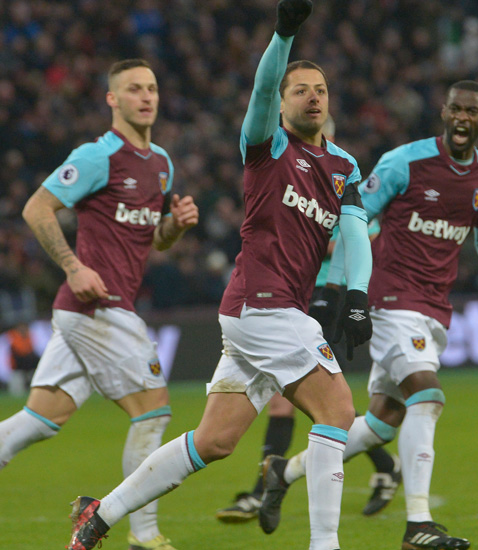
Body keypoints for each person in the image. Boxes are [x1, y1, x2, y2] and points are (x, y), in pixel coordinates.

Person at [66, 2, 375, 549]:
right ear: (281, 102)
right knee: (339, 411)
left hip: (266, 315)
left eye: (320, 89)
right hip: (263, 306)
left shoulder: (345, 165)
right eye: (299, 88)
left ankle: (100, 511)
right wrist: (283, 35)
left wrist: (355, 295)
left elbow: (352, 231)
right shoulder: (269, 146)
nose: (312, 95)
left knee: (214, 441)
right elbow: (259, 93)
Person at [258, 80, 478, 550]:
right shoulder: (404, 163)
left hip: (435, 309)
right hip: (390, 302)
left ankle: (283, 471)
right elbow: (353, 222)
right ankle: (419, 525)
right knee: (429, 397)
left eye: (471, 112)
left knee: (379, 425)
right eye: (454, 108)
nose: (461, 118)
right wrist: (334, 291)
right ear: (443, 111)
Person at [0, 58, 199, 550]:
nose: (146, 96)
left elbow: (154, 241)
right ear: (113, 99)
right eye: (134, 89)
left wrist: (174, 226)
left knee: (39, 420)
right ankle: (143, 535)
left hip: (98, 308)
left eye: (152, 87)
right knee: (153, 410)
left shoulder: (161, 163)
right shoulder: (96, 156)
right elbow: (37, 208)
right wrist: (71, 265)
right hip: (96, 305)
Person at [215, 117, 400, 522]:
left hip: (322, 300)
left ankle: (269, 486)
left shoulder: (342, 180)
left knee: (324, 406)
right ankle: (377, 466)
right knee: (312, 405)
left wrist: (334, 294)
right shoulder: (286, 167)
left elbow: (353, 241)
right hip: (290, 300)